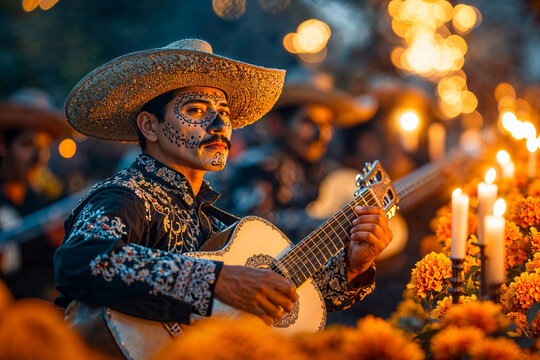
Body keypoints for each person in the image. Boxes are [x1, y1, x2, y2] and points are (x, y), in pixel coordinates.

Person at [54, 39, 393, 357]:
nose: (219, 124)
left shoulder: (213, 220)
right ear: (150, 126)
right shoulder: (126, 195)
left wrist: (354, 264)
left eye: (224, 112)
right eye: (197, 110)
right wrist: (216, 281)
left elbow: (293, 296)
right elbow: (80, 261)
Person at [221, 71, 379, 242]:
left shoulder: (326, 172)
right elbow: (244, 226)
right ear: (278, 124)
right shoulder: (257, 166)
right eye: (308, 122)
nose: (321, 135)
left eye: (327, 124)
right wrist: (328, 225)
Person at [0, 89, 70, 300]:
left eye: (44, 147)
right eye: (27, 145)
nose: (39, 158)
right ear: (3, 145)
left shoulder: (47, 201)